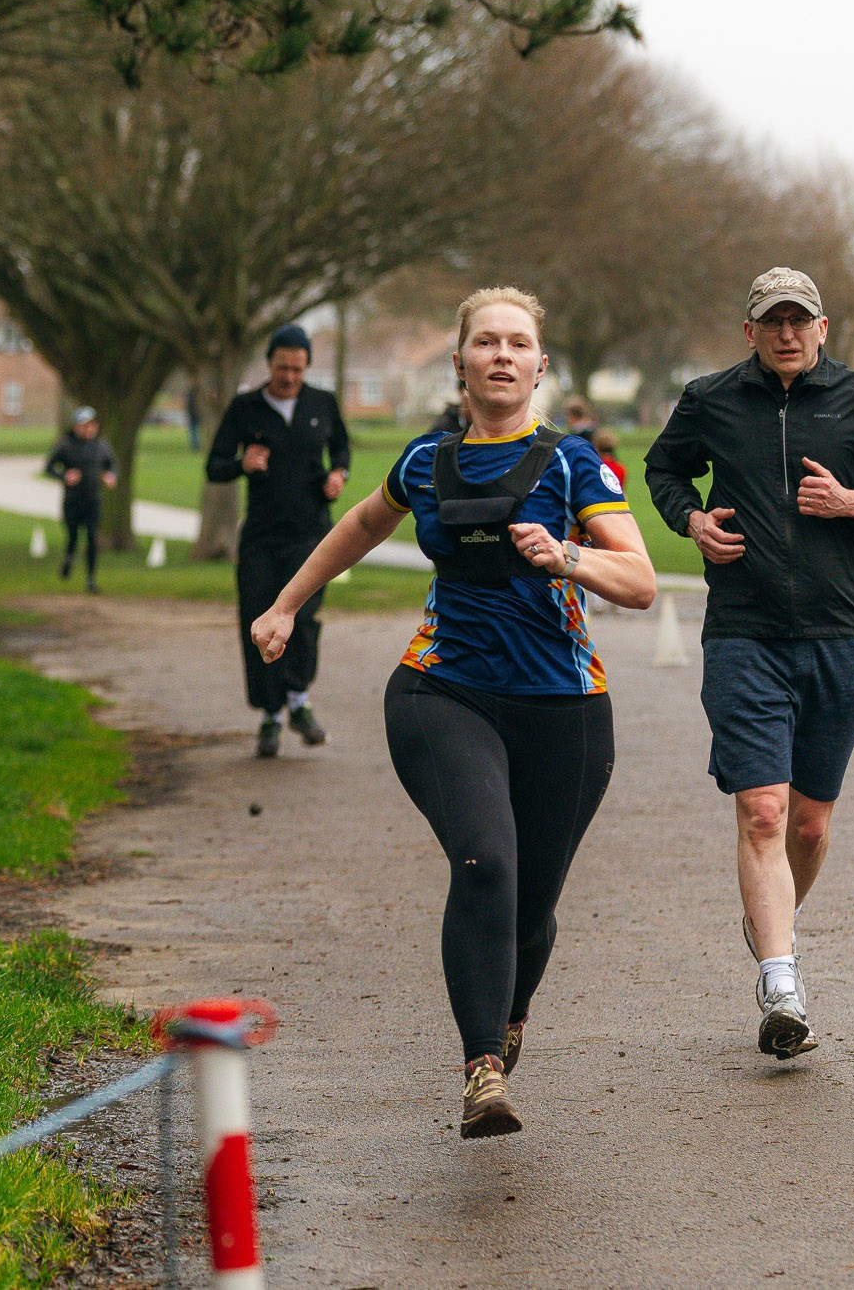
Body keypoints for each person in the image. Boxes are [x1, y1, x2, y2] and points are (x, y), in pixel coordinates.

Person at [250, 287, 656, 1136]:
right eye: (486, 343)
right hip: (443, 690)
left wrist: (568, 554)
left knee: (532, 907)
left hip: (564, 709)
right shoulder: (425, 461)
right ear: (460, 361)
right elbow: (360, 524)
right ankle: (482, 1070)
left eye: (518, 344)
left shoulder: (575, 463)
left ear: (540, 365)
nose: (502, 355)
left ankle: (508, 1016)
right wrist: (287, 603)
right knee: (483, 861)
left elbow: (641, 582)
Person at [644, 266, 854, 1061]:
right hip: (742, 633)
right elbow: (662, 470)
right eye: (771, 320)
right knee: (763, 811)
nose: (785, 333)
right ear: (749, 332)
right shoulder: (710, 400)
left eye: (798, 320)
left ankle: (769, 921)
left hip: (840, 640)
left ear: (822, 327)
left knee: (808, 822)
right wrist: (693, 519)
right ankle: (781, 980)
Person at [206, 324, 351, 757]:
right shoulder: (246, 407)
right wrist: (242, 463)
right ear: (269, 364)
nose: (289, 377)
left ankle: (298, 701)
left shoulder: (321, 403)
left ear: (306, 367)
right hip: (261, 537)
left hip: (310, 536)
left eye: (297, 368)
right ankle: (270, 715)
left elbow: (341, 448)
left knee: (304, 621)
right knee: (258, 620)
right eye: (282, 367)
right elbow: (214, 465)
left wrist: (338, 475)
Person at [44, 405, 118, 592]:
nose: (89, 429)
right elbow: (49, 467)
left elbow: (112, 465)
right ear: (77, 426)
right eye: (85, 425)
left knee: (92, 538)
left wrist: (110, 476)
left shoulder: (101, 446)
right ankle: (69, 559)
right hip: (73, 500)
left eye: (92, 425)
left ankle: (91, 579)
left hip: (93, 499)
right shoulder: (65, 445)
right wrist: (65, 476)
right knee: (73, 536)